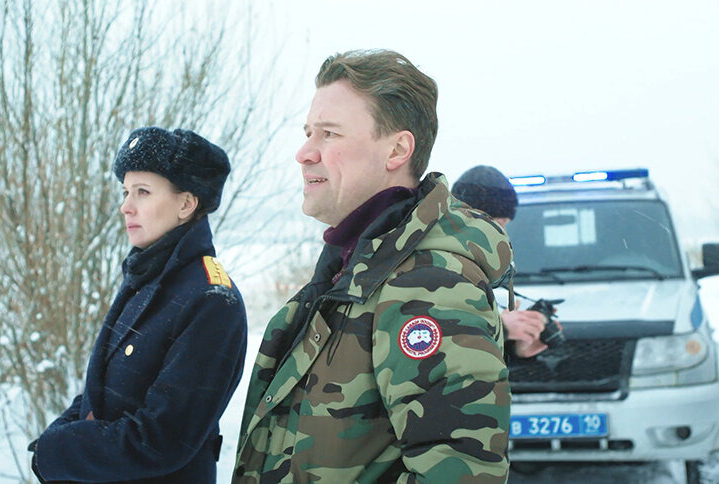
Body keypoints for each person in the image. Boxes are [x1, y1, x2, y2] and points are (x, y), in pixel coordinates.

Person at [233, 50, 513, 483]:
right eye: (308, 133)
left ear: (397, 150)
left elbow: (462, 473)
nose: (304, 153)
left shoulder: (427, 285)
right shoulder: (355, 269)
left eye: (329, 133)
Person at [29, 127, 247, 483]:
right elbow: (100, 390)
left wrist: (58, 451)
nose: (125, 206)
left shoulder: (211, 300)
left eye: (142, 192)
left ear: (186, 204)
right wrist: (56, 436)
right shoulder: (146, 277)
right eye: (125, 192)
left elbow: (162, 438)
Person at [451, 165, 555, 358]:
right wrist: (502, 329)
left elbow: (469, 364)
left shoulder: (474, 269)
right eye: (499, 224)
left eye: (505, 225)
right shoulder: (433, 268)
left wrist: (514, 349)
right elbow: (426, 345)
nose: (504, 235)